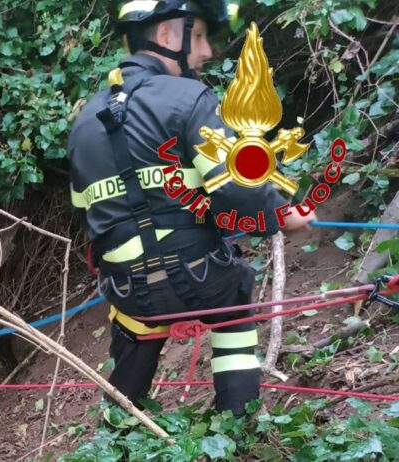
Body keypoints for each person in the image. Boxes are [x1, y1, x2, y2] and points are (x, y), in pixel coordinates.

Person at [68, 0, 317, 418]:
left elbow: (86, 215)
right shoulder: (188, 97)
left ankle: (117, 431)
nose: (206, 52)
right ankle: (237, 425)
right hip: (200, 275)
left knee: (134, 328)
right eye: (199, 36)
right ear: (167, 36)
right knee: (234, 298)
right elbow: (235, 188)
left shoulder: (85, 122)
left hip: (127, 287)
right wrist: (283, 215)